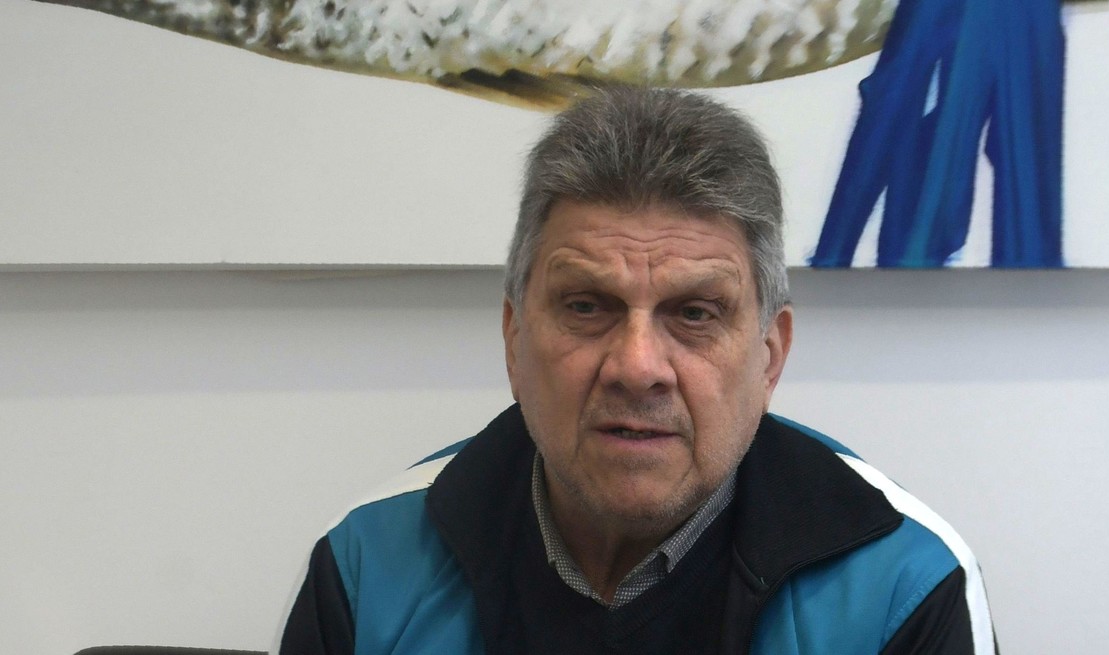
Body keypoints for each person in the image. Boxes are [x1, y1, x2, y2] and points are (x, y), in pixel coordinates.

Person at [274, 87, 997, 654]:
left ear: (769, 355)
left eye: (695, 313)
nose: (637, 366)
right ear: (514, 338)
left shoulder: (903, 582)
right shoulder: (367, 563)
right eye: (587, 306)